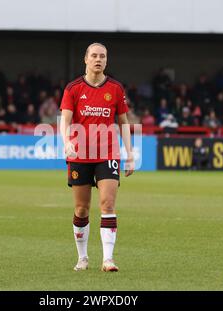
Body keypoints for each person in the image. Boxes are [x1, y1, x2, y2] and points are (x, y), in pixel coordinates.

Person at [60, 43, 134, 272]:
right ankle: (82, 257)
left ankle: (108, 259)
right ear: (86, 59)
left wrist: (130, 154)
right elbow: (65, 120)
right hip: (80, 155)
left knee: (107, 203)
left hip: (107, 152)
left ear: (106, 60)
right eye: (94, 55)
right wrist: (67, 142)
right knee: (81, 208)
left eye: (102, 56)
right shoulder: (73, 88)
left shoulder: (115, 88)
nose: (98, 59)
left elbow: (123, 122)